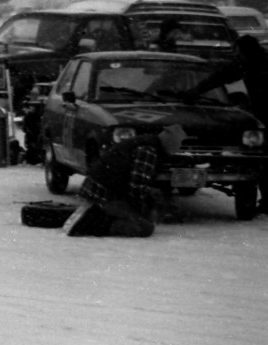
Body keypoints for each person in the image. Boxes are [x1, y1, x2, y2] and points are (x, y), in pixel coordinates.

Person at [185, 34, 268, 211]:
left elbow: (220, 77)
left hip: (263, 116)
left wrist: (196, 91)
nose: (236, 56)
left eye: (237, 53)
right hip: (261, 116)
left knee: (263, 160)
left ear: (246, 52)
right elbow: (221, 76)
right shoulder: (249, 63)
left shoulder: (249, 64)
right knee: (262, 160)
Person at [66, 124, 188, 237]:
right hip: (104, 195)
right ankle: (93, 225)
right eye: (179, 144)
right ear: (171, 143)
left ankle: (100, 215)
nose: (179, 148)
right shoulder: (148, 151)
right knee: (143, 228)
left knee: (142, 212)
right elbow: (137, 186)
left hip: (96, 189)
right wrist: (140, 211)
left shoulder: (146, 143)